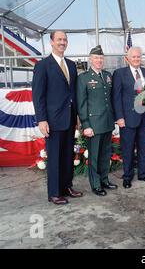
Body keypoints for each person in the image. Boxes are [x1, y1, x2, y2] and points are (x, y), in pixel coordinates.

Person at [32, 31, 83, 205]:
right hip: (52, 120)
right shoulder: (43, 65)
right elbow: (38, 95)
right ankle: (54, 192)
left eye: (65, 40)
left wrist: (76, 116)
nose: (62, 42)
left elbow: (73, 93)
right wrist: (41, 119)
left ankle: (67, 186)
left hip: (69, 118)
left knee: (68, 155)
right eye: (59, 39)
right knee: (54, 157)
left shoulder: (71, 64)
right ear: (52, 42)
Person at [76, 45, 118, 197]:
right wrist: (85, 125)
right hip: (93, 124)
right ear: (90, 59)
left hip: (107, 122)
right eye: (96, 58)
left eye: (101, 58)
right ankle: (95, 184)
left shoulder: (107, 75)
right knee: (94, 156)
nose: (99, 60)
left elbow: (110, 99)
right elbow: (81, 103)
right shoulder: (83, 78)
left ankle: (105, 180)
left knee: (106, 154)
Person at [112, 46, 145, 189]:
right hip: (127, 118)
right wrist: (119, 117)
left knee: (144, 147)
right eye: (133, 57)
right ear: (127, 58)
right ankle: (128, 176)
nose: (136, 59)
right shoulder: (119, 74)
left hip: (143, 117)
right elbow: (116, 97)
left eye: (138, 56)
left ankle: (143, 174)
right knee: (128, 148)